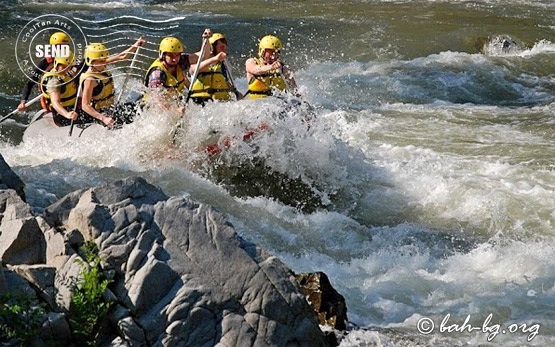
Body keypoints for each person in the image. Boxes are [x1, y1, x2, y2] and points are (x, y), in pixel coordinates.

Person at [79, 37, 145, 127]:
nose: (104, 63)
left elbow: (123, 56)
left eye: (104, 60)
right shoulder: (90, 79)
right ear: (91, 61)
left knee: (139, 105)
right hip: (101, 114)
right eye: (101, 61)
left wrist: (136, 44)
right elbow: (85, 105)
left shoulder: (99, 65)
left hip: (111, 108)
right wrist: (104, 118)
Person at [18, 32, 73, 111]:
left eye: (65, 47)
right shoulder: (45, 63)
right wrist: (23, 101)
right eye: (59, 47)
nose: (62, 50)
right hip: (49, 93)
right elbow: (30, 83)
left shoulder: (72, 60)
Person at [188, 32, 243, 105]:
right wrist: (215, 59)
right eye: (221, 48)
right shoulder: (200, 61)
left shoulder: (226, 65)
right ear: (212, 49)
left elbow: (223, 82)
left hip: (220, 102)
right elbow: (193, 70)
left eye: (224, 47)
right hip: (201, 101)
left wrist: (236, 92)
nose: (224, 50)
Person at [38, 51, 79, 127]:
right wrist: (67, 114)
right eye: (64, 67)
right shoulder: (53, 82)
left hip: (74, 107)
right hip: (62, 114)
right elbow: (55, 102)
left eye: (68, 67)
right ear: (56, 64)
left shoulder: (67, 72)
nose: (66, 69)